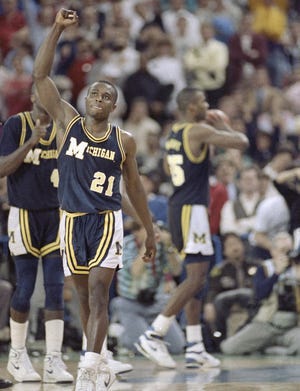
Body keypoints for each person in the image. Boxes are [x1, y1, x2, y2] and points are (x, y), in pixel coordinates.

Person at [33, 8, 156, 391]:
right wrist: (55, 29)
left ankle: (87, 370)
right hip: (70, 220)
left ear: (114, 107)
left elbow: (134, 188)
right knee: (84, 297)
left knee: (101, 292)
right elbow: (40, 76)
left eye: (106, 96)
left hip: (106, 220)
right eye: (94, 93)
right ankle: (98, 356)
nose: (98, 98)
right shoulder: (66, 123)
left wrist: (149, 231)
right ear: (86, 98)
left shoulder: (124, 141)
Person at [135, 87, 249, 369]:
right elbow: (241, 143)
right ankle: (154, 333)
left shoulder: (173, 132)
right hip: (191, 210)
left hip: (181, 205)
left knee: (197, 278)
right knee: (196, 277)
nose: (206, 105)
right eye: (203, 102)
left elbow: (167, 166)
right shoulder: (197, 130)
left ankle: (195, 346)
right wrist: (221, 123)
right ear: (190, 107)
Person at [0, 87, 73, 384]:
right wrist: (32, 141)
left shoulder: (64, 126)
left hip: (56, 214)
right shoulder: (16, 125)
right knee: (25, 287)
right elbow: (2, 168)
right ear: (32, 97)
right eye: (41, 92)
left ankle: (53, 359)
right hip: (24, 213)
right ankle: (17, 355)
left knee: (56, 289)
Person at [110, 220, 184, 354]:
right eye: (149, 230)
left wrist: (169, 246)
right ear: (136, 232)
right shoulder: (125, 243)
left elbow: (177, 270)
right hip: (131, 304)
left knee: (177, 347)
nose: (154, 234)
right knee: (140, 348)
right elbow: (135, 271)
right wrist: (147, 245)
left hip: (156, 303)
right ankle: (119, 333)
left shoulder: (162, 246)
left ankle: (133, 334)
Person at [220, 231, 300, 356]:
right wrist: (276, 274)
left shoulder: (297, 268)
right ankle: (269, 346)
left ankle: (271, 350)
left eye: (288, 251)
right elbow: (259, 295)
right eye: (282, 250)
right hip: (267, 324)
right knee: (229, 348)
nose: (286, 255)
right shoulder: (264, 268)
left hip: (291, 327)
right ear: (273, 251)